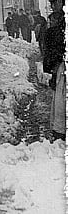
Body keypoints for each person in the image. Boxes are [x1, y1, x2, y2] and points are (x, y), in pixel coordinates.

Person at [43, 10, 66, 141]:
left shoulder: (53, 33)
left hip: (61, 69)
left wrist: (51, 67)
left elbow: (50, 52)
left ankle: (60, 130)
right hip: (60, 67)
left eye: (52, 21)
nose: (50, 24)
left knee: (60, 101)